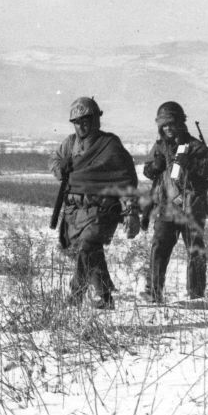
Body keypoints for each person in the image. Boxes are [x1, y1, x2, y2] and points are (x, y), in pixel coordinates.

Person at [49, 97, 140, 309]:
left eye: (86, 120)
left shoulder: (110, 145)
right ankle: (105, 297)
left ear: (96, 120)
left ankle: (75, 296)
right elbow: (54, 161)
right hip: (74, 212)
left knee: (88, 246)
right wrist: (60, 167)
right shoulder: (70, 143)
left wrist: (130, 212)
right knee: (91, 252)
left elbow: (124, 180)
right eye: (77, 122)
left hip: (102, 210)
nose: (82, 125)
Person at [140, 101, 208, 303]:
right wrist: (155, 167)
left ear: (179, 124)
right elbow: (147, 171)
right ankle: (154, 292)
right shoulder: (159, 146)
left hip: (191, 209)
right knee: (159, 247)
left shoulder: (194, 146)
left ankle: (196, 295)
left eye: (171, 124)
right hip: (166, 208)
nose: (168, 128)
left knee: (195, 250)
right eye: (164, 125)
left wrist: (193, 164)